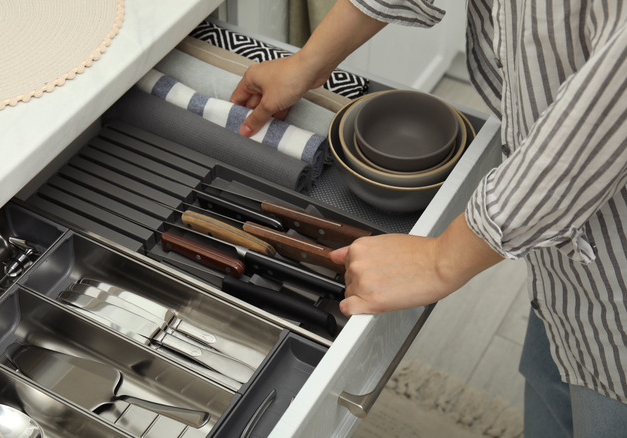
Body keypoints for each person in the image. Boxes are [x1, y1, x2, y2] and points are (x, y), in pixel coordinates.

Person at [229, 1, 627, 436]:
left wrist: (444, 258)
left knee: (602, 402)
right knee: (553, 373)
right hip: (565, 265)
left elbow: (612, 100)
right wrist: (308, 62)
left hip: (615, 276)